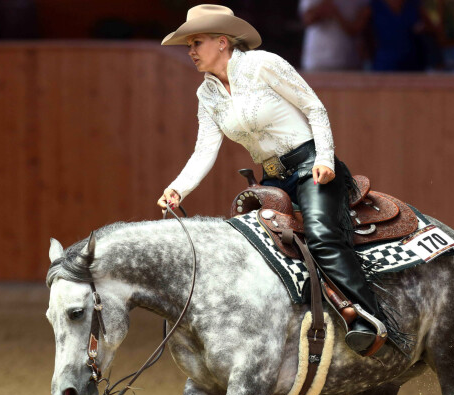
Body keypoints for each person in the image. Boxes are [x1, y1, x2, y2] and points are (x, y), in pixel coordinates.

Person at [157, 4, 387, 355]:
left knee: (323, 237)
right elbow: (205, 150)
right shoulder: (207, 93)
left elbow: (315, 108)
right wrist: (177, 189)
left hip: (311, 166)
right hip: (273, 179)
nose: (190, 51)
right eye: (189, 45)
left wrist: (324, 159)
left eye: (196, 43)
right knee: (249, 248)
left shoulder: (263, 64)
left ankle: (369, 321)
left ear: (222, 42)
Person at [299, 0, 371, 71]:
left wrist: (337, 14)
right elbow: (307, 19)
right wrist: (323, 8)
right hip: (318, 62)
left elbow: (358, 28)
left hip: (350, 62)